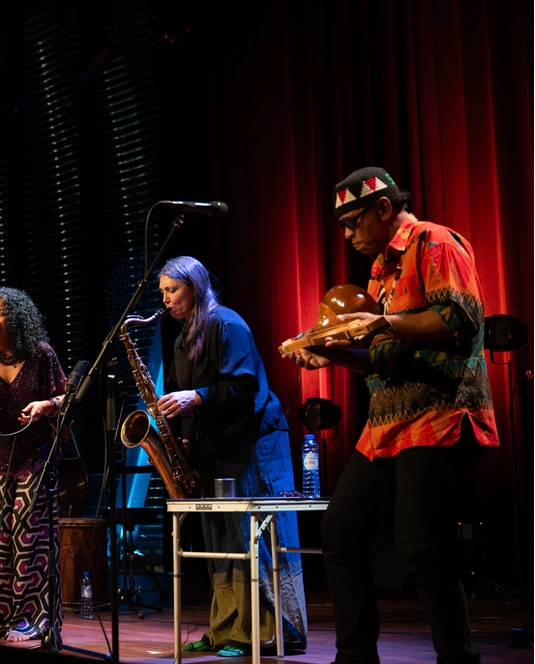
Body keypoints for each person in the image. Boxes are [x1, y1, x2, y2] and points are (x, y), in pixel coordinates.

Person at [282, 166, 498, 664]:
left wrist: (381, 321)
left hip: (440, 413)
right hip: (388, 423)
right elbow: (382, 356)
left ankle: (458, 658)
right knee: (339, 531)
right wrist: (331, 353)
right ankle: (355, 658)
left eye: (354, 222)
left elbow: (460, 317)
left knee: (421, 547)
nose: (348, 235)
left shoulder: (433, 242)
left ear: (383, 207)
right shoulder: (381, 271)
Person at [156, 256, 308, 657]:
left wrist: (199, 396)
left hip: (255, 442)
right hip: (216, 448)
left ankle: (271, 632)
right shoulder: (181, 339)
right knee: (222, 540)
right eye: (163, 293)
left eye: (173, 290)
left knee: (256, 538)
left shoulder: (227, 323)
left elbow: (244, 385)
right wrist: (187, 441)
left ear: (196, 286)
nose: (167, 300)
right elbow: (187, 402)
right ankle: (226, 629)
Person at [0, 287, 68, 642]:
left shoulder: (40, 354)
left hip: (34, 458)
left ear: (17, 317)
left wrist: (44, 406)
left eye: (1, 312)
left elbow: (67, 396)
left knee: (29, 540)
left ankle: (32, 619)